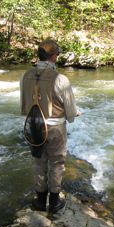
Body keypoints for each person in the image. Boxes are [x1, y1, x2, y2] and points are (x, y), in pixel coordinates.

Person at [20, 39, 80, 213]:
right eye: (57, 54)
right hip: (55, 128)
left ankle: (39, 202)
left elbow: (24, 106)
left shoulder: (26, 75)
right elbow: (70, 112)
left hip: (34, 126)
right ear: (53, 56)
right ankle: (54, 203)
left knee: (39, 162)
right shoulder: (60, 79)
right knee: (56, 163)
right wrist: (74, 114)